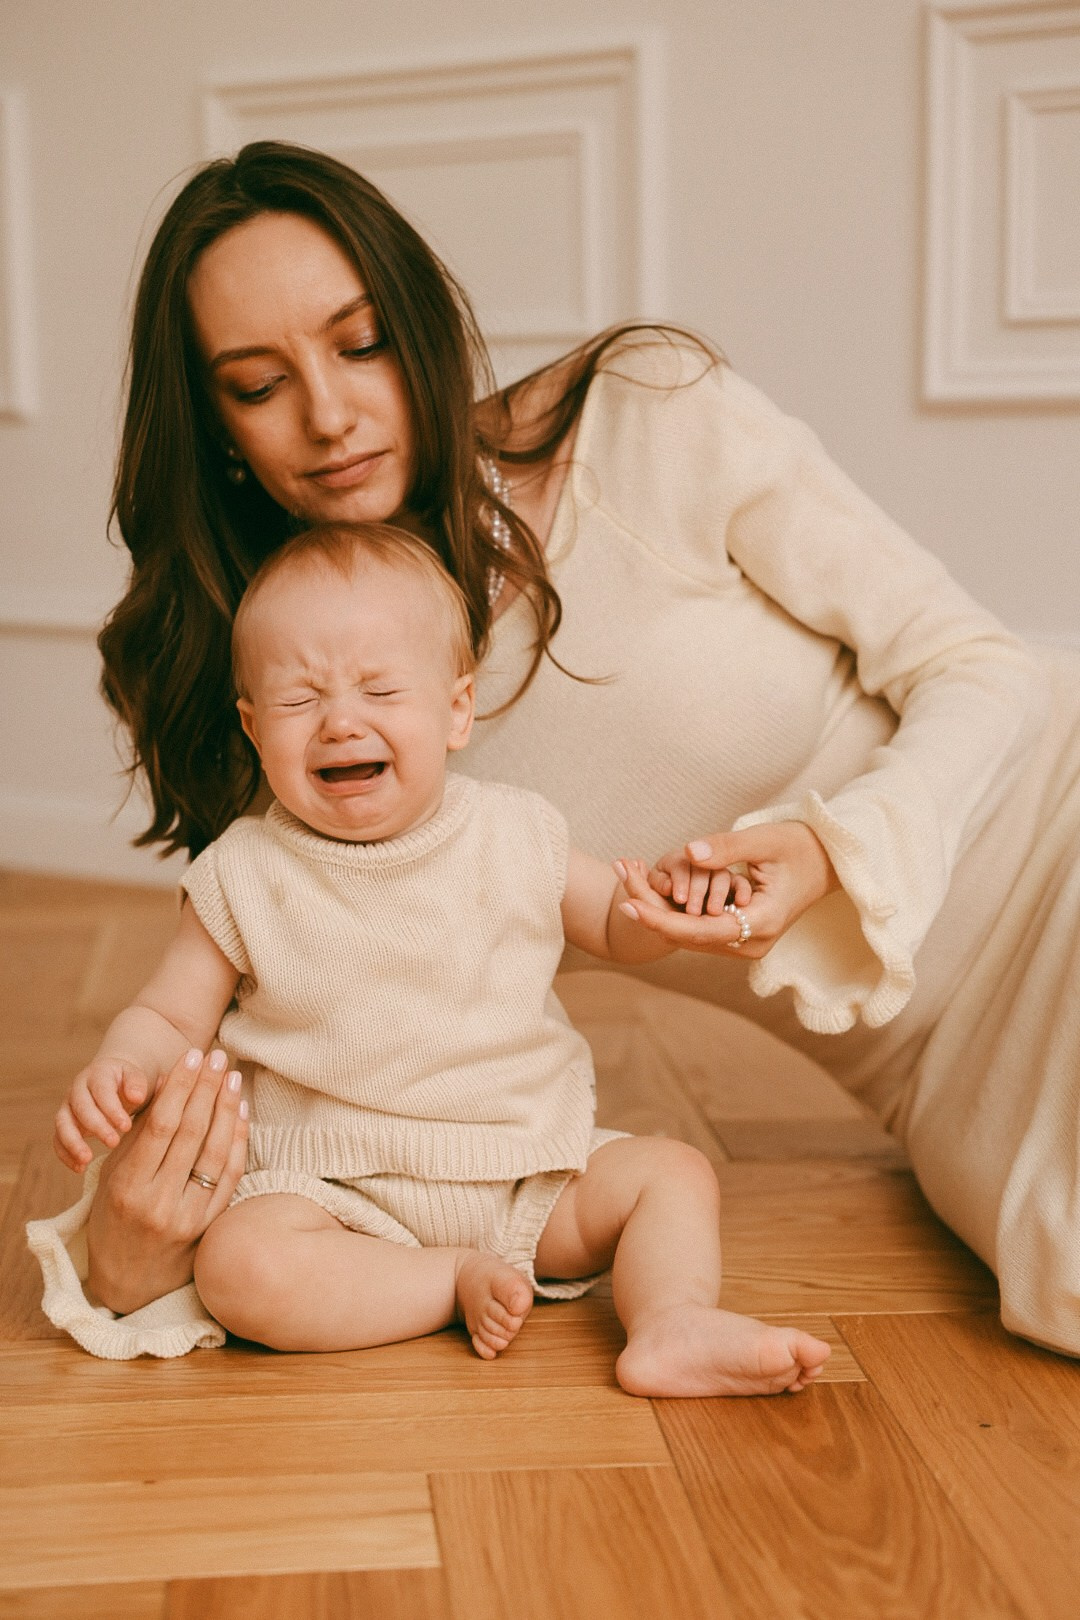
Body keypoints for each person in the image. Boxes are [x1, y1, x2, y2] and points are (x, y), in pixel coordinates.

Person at [25, 140, 1080, 1361]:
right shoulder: (307, 705)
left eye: (360, 343)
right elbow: (292, 1070)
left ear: (420, 325)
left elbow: (983, 667)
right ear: (217, 433)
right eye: (259, 385)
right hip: (938, 1078)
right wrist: (129, 1251)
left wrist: (830, 851)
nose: (328, 414)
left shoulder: (647, 418)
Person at [46, 520, 831, 1393]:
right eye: (300, 701)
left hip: (527, 1173)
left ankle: (673, 1323)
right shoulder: (243, 871)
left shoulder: (515, 830)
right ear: (254, 726)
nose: (341, 721)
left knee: (673, 1175)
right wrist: (123, 1066)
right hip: (333, 1194)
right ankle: (442, 1284)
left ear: (456, 710)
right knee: (240, 1267)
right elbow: (168, 1015)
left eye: (380, 690)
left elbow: (614, 919)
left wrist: (668, 897)